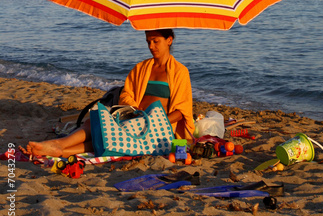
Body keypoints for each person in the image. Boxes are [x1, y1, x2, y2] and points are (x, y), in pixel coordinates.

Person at [19, 29, 194, 158]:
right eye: (148, 41)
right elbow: (126, 94)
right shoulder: (141, 68)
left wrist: (151, 120)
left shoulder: (180, 72)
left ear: (169, 40)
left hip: (158, 126)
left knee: (105, 132)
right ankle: (60, 148)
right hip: (133, 116)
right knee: (95, 124)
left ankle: (59, 147)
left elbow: (182, 111)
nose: (151, 46)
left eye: (156, 41)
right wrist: (134, 111)